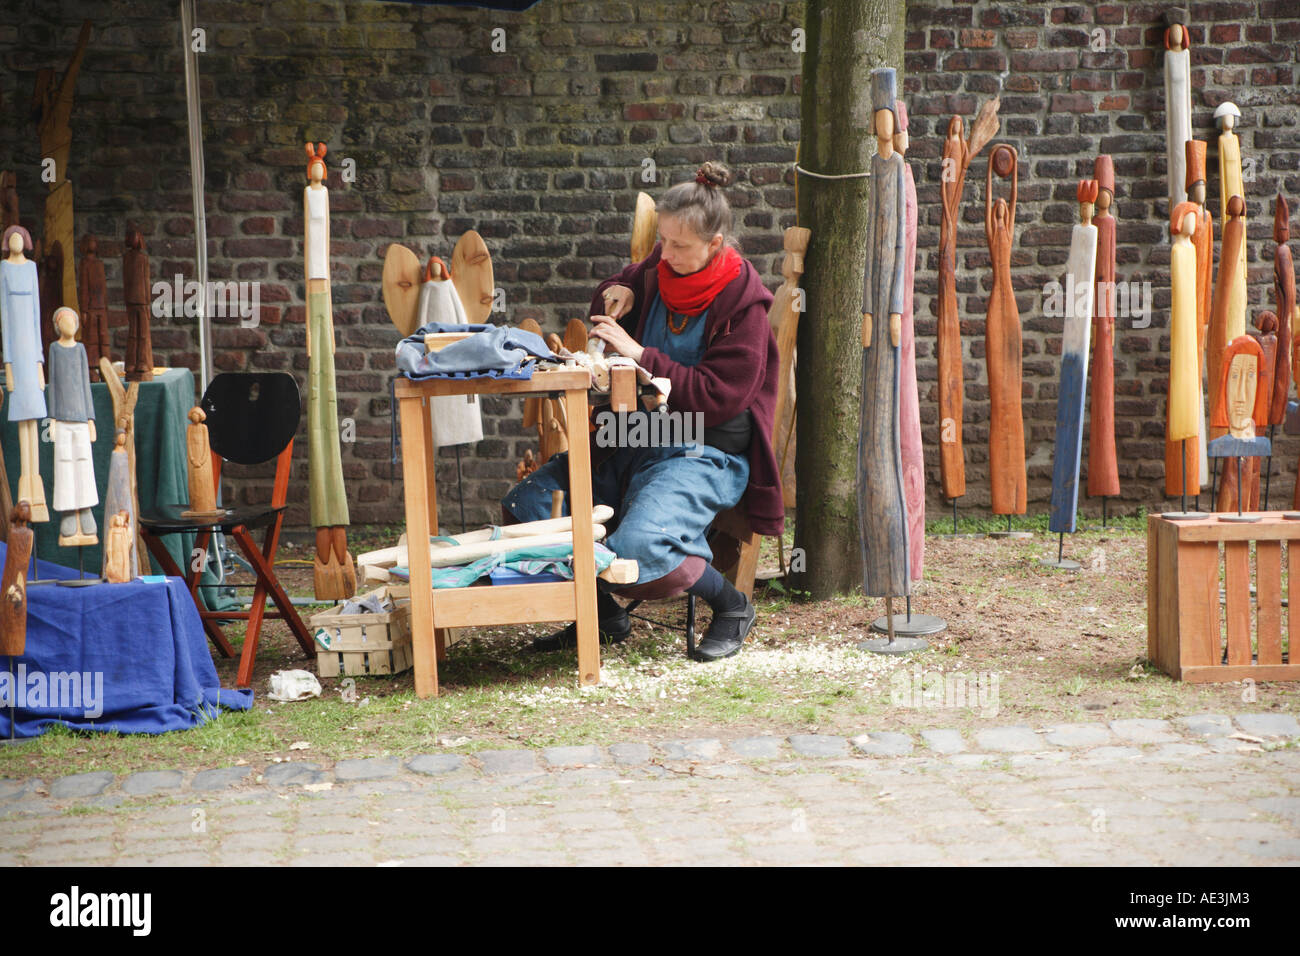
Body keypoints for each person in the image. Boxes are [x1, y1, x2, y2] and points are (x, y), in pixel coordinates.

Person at [503, 161, 784, 661]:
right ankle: (602, 613)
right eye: (663, 242)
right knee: (528, 506)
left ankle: (732, 605)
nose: (665, 254)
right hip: (629, 437)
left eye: (679, 247)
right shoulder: (658, 271)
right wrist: (618, 289)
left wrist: (640, 356)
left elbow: (722, 395)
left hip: (704, 447)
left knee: (639, 546)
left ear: (715, 245)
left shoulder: (744, 306)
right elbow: (619, 290)